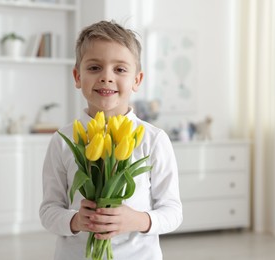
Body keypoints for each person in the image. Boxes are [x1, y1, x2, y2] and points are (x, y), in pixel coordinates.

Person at [39, 20, 183, 260]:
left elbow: (173, 212)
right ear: (77, 76)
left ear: (137, 80)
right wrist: (74, 220)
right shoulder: (63, 140)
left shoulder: (154, 140)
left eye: (120, 69)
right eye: (94, 67)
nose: (106, 77)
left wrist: (138, 219)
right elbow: (48, 211)